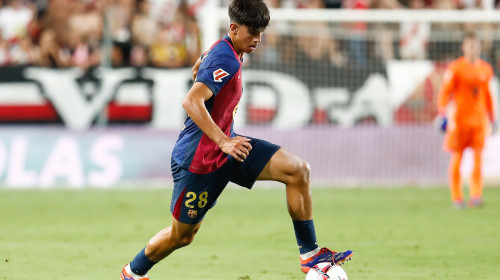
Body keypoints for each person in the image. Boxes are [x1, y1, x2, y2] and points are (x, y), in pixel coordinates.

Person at [120, 0, 353, 279]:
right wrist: (222, 141)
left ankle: (310, 255)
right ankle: (133, 273)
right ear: (233, 27)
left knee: (297, 170)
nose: (257, 39)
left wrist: (226, 140)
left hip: (230, 147)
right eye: (252, 33)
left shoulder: (227, 49)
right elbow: (191, 101)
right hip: (200, 162)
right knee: (181, 236)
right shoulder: (227, 58)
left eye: (261, 33)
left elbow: (198, 69)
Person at [437, 31, 496, 209]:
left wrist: (492, 117)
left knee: (478, 160)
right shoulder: (455, 69)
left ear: (479, 46)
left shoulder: (486, 69)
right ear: (463, 47)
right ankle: (457, 197)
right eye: (469, 44)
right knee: (457, 159)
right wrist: (442, 114)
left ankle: (476, 196)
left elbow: (487, 96)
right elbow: (444, 94)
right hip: (459, 122)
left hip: (478, 122)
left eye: (475, 44)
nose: (472, 48)